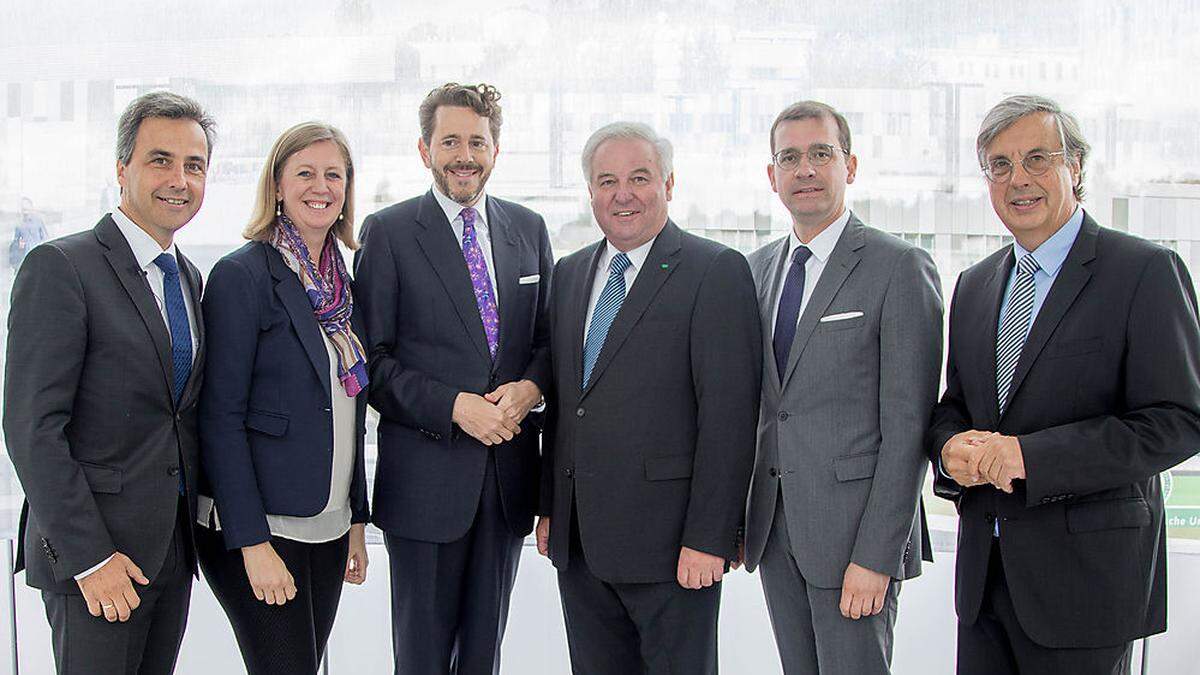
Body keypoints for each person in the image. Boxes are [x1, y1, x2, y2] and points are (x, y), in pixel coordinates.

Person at [930, 94, 1200, 674]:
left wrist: (1030, 457)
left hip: (1087, 587)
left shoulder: (1144, 271)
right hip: (984, 584)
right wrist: (948, 449)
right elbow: (956, 406)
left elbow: (1178, 422)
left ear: (1075, 167)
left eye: (1037, 159)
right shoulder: (974, 285)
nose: (1017, 179)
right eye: (999, 165)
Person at [536, 121, 762, 674]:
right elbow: (569, 407)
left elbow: (729, 418)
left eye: (639, 178)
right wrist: (550, 508)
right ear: (590, 191)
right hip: (582, 544)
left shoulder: (715, 271)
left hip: (673, 549)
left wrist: (710, 538)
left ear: (669, 183)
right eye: (607, 180)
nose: (623, 193)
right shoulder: (569, 273)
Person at [3, 90, 213, 674]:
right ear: (122, 169)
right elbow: (31, 429)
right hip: (96, 562)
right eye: (160, 160)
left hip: (170, 553)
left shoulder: (188, 279)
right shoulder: (61, 266)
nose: (179, 179)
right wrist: (91, 559)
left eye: (193, 165)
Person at [354, 82, 553, 674]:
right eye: (450, 142)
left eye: (477, 141)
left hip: (506, 486)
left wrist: (532, 387)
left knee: (484, 657)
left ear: (496, 149)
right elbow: (372, 364)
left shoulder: (529, 228)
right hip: (425, 489)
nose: (464, 155)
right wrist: (454, 407)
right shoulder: (388, 233)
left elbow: (546, 343)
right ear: (424, 149)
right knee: (421, 658)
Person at [741, 100, 942, 675]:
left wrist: (877, 556)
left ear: (849, 166)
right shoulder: (756, 270)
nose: (804, 169)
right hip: (775, 532)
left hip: (856, 541)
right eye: (790, 157)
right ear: (772, 174)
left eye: (821, 154)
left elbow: (909, 429)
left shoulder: (899, 267)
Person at [195, 122, 371, 675]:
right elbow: (219, 419)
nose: (321, 187)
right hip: (261, 528)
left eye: (333, 175)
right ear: (276, 185)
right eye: (305, 173)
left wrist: (356, 520)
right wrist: (251, 544)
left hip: (328, 522)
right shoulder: (241, 276)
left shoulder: (343, 284)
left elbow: (350, 410)